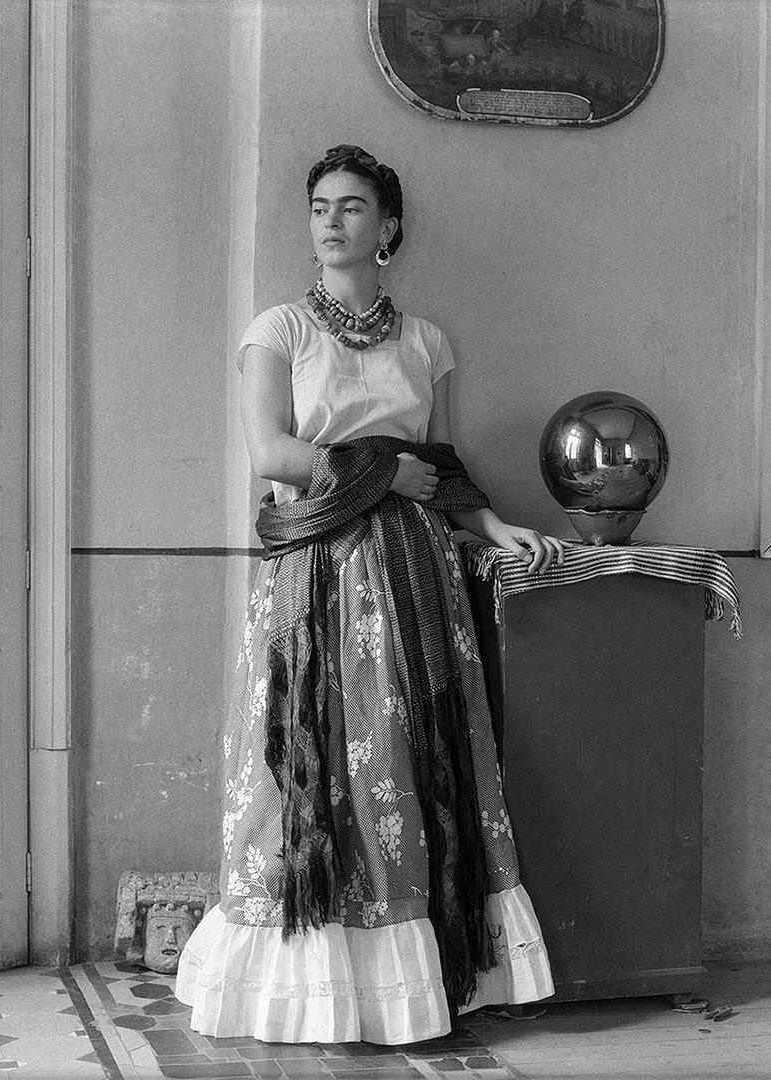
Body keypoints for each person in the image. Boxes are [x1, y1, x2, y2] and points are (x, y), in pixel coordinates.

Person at [175, 144, 564, 1046]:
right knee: (309, 764)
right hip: (318, 569)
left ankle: (407, 982)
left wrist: (494, 528)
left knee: (406, 757)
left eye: (352, 206)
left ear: (387, 228)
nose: (331, 220)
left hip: (416, 576)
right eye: (319, 205)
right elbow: (272, 456)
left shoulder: (426, 342)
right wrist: (383, 473)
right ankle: (301, 975)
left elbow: (446, 471)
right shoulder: (277, 332)